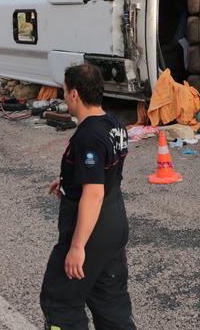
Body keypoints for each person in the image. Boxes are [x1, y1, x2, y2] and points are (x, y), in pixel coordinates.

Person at [40, 64, 136, 330]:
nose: (64, 96)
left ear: (74, 95)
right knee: (110, 302)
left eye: (65, 91)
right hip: (114, 224)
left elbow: (94, 193)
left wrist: (77, 247)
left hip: (93, 230)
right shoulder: (114, 124)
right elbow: (107, 170)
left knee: (60, 301)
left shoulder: (89, 135)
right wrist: (70, 180)